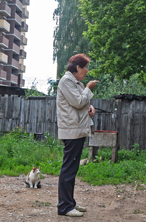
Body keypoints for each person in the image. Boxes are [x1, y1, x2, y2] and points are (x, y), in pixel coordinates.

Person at [56, 53, 97, 217]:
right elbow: (78, 101)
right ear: (78, 67)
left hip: (77, 130)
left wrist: (90, 108)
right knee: (68, 169)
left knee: (72, 169)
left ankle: (70, 203)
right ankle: (64, 207)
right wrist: (88, 88)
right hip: (71, 131)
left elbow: (81, 103)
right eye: (85, 67)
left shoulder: (75, 82)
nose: (87, 70)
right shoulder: (66, 81)